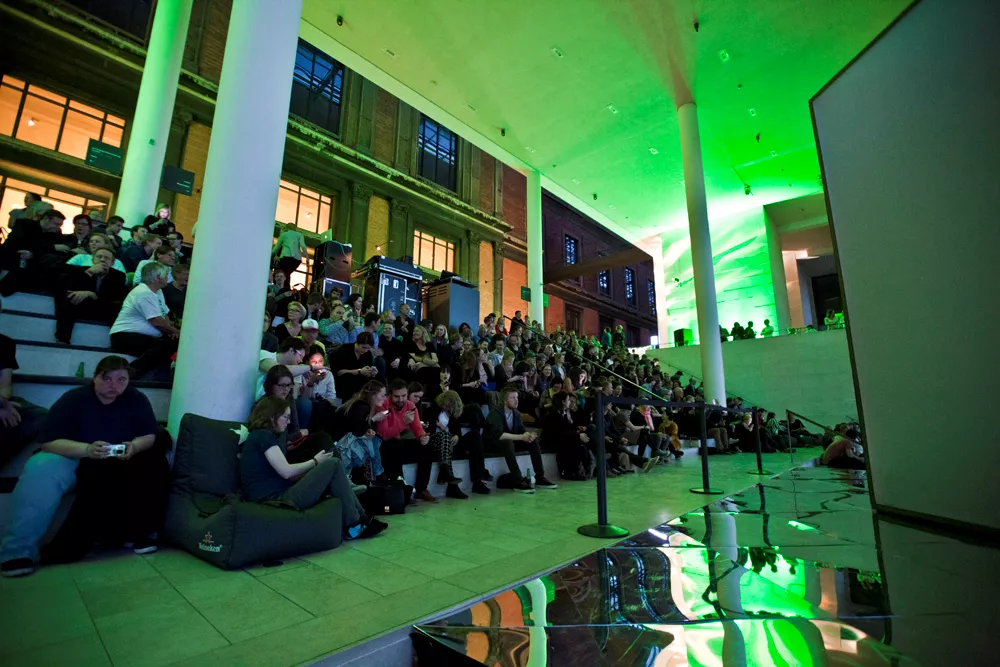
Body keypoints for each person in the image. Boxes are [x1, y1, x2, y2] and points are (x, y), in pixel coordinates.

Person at [0, 356, 162, 577]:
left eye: (121, 380)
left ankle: (138, 532)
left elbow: (149, 436)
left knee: (147, 462)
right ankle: (16, 552)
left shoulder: (136, 399)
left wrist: (133, 446)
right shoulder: (74, 399)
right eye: (107, 378)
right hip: (72, 454)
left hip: (115, 461)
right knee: (40, 468)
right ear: (95, 377)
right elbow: (48, 442)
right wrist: (86, 449)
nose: (114, 385)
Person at [240, 396, 386, 540]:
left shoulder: (261, 436)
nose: (289, 422)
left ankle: (362, 519)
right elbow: (286, 472)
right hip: (276, 500)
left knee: (331, 466)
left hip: (278, 494)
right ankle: (354, 525)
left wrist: (315, 471)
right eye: (285, 417)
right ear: (272, 417)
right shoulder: (263, 436)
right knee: (333, 464)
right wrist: (315, 461)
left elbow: (284, 475)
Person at [109, 262, 179, 380]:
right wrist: (176, 332)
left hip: (142, 336)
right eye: (166, 275)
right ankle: (129, 373)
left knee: (172, 343)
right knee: (165, 346)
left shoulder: (157, 292)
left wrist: (171, 332)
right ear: (157, 277)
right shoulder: (144, 292)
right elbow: (156, 321)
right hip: (124, 336)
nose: (168, 278)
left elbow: (165, 314)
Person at [484, 385, 557, 493]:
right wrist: (521, 437)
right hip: (492, 443)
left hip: (509, 443)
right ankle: (517, 480)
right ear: (505, 400)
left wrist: (528, 435)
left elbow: (522, 430)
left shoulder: (516, 413)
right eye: (513, 398)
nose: (516, 400)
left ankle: (540, 477)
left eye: (517, 397)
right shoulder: (496, 412)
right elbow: (499, 435)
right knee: (508, 442)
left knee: (533, 442)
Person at [376, 379, 436, 502]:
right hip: (385, 445)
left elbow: (417, 429)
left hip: (400, 443)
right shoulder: (383, 405)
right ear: (390, 395)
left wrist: (423, 437)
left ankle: (421, 489)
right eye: (397, 396)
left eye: (403, 395)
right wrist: (403, 422)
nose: (401, 399)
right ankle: (401, 490)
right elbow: (384, 434)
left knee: (427, 446)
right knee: (394, 445)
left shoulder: (410, 405)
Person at [260, 365, 333, 463]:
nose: (285, 389)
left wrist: (297, 436)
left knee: (323, 438)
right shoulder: (265, 405)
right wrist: (299, 434)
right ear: (271, 385)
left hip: (292, 443)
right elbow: (277, 439)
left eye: (288, 385)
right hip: (278, 452)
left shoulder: (288, 398)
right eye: (281, 385)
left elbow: (295, 426)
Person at [54, 247, 128, 344]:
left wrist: (92, 294)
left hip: (104, 308)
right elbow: (70, 288)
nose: (102, 260)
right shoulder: (81, 270)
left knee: (117, 306)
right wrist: (89, 272)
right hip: (82, 305)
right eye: (99, 257)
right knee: (69, 299)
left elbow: (114, 297)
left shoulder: (118, 276)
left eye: (106, 258)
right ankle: (62, 339)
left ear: (112, 263)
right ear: (93, 260)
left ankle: (118, 343)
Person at [0, 324, 46, 468]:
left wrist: (3, 403)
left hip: (2, 401)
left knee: (41, 417)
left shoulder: (5, 343)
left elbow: (5, 386)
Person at [330, 380, 387, 479]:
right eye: (382, 395)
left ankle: (376, 475)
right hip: (341, 443)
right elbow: (357, 431)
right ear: (373, 395)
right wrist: (374, 419)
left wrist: (371, 427)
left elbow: (363, 428)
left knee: (374, 440)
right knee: (374, 441)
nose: (385, 398)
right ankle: (378, 475)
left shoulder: (362, 404)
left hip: (344, 439)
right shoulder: (362, 406)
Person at [331, 331, 378, 400]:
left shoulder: (368, 354)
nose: (365, 350)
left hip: (360, 382)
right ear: (357, 343)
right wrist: (359, 371)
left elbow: (367, 375)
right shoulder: (344, 350)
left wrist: (371, 373)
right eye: (363, 347)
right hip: (344, 382)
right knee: (348, 378)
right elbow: (339, 372)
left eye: (368, 348)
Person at [64, 233, 128, 273]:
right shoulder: (81, 257)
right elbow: (65, 269)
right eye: (91, 241)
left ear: (106, 245)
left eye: (97, 241)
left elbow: (125, 280)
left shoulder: (117, 262)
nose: (93, 243)